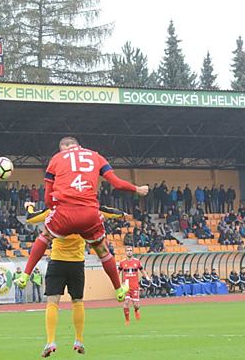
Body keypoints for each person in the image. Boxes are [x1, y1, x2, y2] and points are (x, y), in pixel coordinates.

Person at [14, 137, 149, 303]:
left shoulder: (56, 159)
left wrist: (55, 207)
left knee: (44, 236)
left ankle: (25, 275)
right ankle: (119, 290)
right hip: (89, 214)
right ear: (78, 145)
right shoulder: (96, 156)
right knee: (103, 252)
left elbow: (48, 199)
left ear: (63, 148)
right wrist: (138, 189)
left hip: (64, 214)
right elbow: (117, 184)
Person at [25, 203, 102, 357]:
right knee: (77, 301)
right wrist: (122, 214)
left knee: (53, 302)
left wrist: (30, 207)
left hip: (57, 261)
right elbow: (107, 213)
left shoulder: (54, 211)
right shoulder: (86, 213)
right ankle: (79, 340)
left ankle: (50, 341)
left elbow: (30, 219)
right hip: (77, 263)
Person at [118, 245, 150, 325]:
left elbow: (142, 270)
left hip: (135, 286)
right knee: (126, 303)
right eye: (127, 250)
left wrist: (147, 277)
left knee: (136, 305)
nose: (129, 252)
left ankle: (136, 310)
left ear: (132, 252)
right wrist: (116, 282)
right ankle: (127, 320)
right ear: (125, 252)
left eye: (130, 250)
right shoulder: (122, 263)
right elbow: (117, 272)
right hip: (126, 286)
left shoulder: (137, 261)